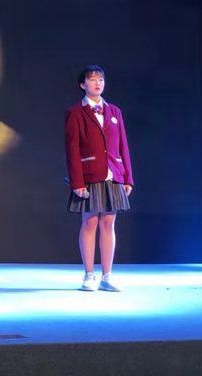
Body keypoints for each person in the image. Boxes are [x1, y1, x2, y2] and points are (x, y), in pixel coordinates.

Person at [64, 65, 133, 292]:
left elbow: (123, 145)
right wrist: (77, 182)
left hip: (113, 173)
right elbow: (72, 149)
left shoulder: (114, 111)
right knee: (90, 222)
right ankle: (89, 275)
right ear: (83, 84)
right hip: (89, 174)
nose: (98, 83)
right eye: (92, 79)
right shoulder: (76, 112)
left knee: (108, 223)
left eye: (101, 79)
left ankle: (107, 276)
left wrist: (127, 178)